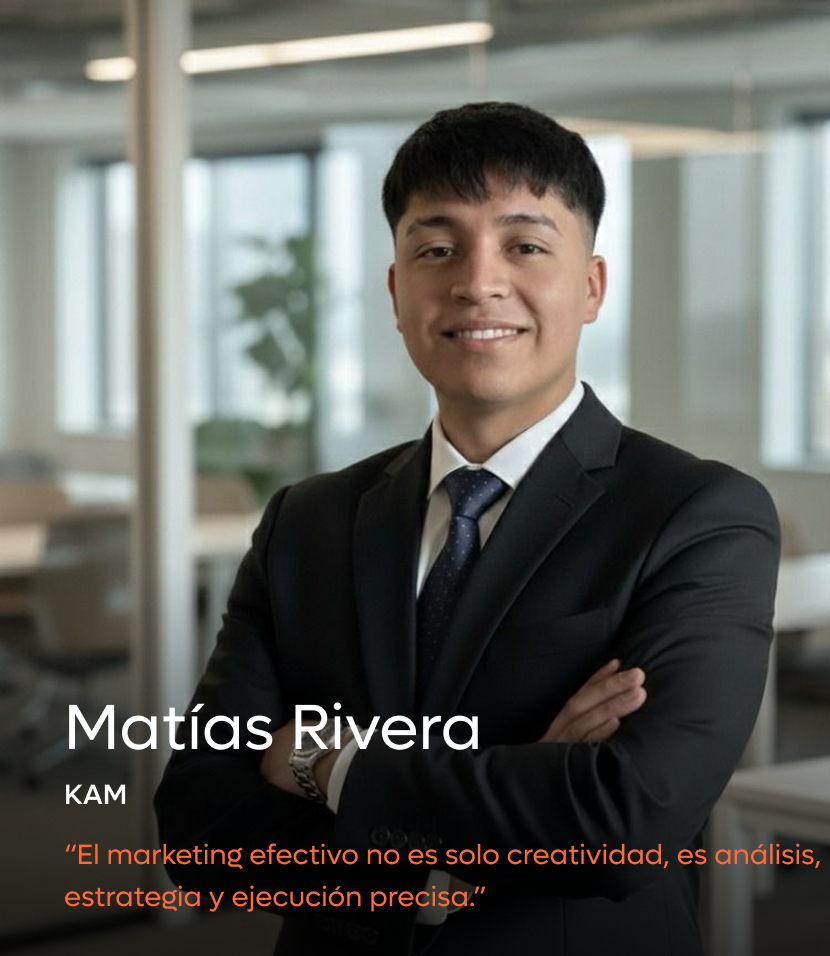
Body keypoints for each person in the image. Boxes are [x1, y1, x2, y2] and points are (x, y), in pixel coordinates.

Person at [155, 101, 779, 955]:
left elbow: (623, 819)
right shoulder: (307, 521)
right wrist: (427, 874)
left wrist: (323, 763)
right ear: (396, 291)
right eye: (438, 249)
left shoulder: (697, 516)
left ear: (592, 287)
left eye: (525, 246)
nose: (477, 282)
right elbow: (198, 823)